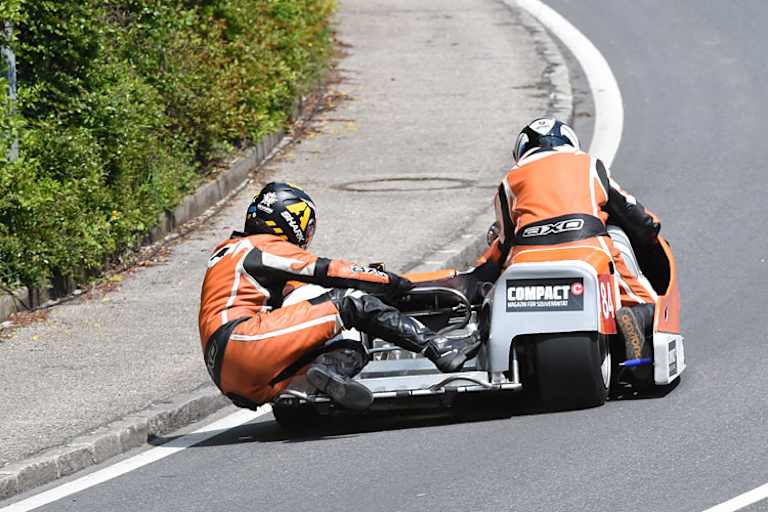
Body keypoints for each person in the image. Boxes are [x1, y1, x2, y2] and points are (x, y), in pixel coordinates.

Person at [198, 182, 475, 412]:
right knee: (350, 301)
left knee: (352, 343)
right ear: (292, 221)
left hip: (231, 376)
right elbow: (331, 271)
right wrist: (392, 282)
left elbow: (304, 298)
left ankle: (328, 374)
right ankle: (438, 346)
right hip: (243, 339)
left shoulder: (231, 251)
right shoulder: (258, 246)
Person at [440, 118, 661, 382]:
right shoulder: (589, 164)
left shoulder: (509, 180)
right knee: (648, 301)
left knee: (501, 286)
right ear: (570, 141)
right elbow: (631, 211)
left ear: (521, 150)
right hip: (588, 250)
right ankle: (635, 317)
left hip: (526, 258)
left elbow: (505, 241)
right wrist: (650, 228)